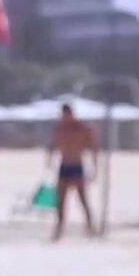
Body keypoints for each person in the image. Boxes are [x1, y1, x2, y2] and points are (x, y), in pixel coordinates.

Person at [47, 102, 99, 240]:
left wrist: (95, 165)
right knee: (60, 199)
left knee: (82, 198)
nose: (65, 118)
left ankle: (90, 226)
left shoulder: (81, 128)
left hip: (76, 165)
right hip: (64, 165)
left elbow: (93, 145)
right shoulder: (59, 128)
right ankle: (59, 228)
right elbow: (53, 144)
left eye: (67, 115)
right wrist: (49, 160)